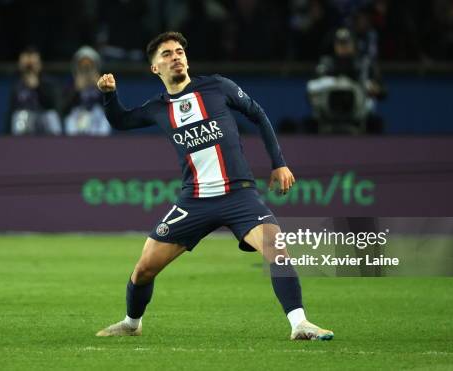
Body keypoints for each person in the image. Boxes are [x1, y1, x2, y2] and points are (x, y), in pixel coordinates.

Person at [95, 31, 333, 341]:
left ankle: (300, 323)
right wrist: (109, 95)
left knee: (278, 250)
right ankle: (131, 323)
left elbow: (257, 114)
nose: (175, 56)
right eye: (166, 54)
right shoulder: (158, 107)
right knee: (143, 270)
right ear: (155, 68)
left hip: (239, 195)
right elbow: (121, 121)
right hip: (194, 201)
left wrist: (279, 162)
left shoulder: (217, 86)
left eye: (179, 51)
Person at [6, 46, 62, 135]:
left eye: (33, 64)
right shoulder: (17, 85)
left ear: (40, 64)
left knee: (51, 116)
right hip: (24, 122)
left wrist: (37, 87)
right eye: (27, 65)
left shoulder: (49, 82)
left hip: (43, 119)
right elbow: (11, 113)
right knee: (20, 115)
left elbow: (54, 107)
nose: (30, 68)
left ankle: (56, 143)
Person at [61, 46, 112, 136]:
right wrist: (76, 90)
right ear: (77, 66)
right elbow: (64, 109)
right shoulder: (71, 82)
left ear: (95, 66)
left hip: (96, 115)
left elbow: (111, 108)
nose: (86, 69)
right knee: (69, 120)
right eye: (83, 65)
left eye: (89, 65)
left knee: (103, 118)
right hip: (77, 115)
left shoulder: (103, 81)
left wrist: (102, 88)